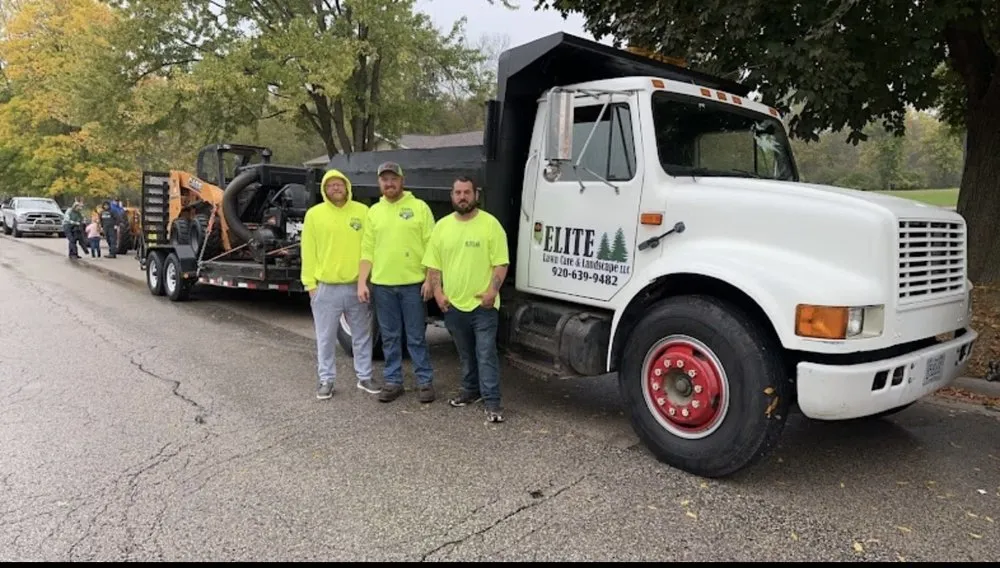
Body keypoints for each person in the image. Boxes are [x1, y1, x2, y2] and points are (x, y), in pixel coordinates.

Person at [422, 175, 510, 423]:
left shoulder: (490, 225)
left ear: (476, 195)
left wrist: (492, 292)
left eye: (467, 192)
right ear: (452, 196)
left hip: (483, 305)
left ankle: (492, 403)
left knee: (486, 353)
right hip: (453, 305)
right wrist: (438, 294)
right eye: (458, 193)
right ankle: (470, 391)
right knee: (466, 354)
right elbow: (433, 265)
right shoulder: (442, 227)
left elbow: (501, 263)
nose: (462, 197)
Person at [358, 161, 437, 403]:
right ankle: (393, 381)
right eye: (384, 179)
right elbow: (367, 250)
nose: (389, 183)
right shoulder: (374, 212)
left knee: (416, 336)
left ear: (402, 180)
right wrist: (362, 282)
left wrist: (430, 280)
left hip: (413, 285)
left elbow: (433, 246)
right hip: (383, 286)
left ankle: (425, 382)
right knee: (390, 337)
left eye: (393, 179)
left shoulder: (419, 207)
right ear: (379, 183)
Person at [300, 169, 374, 400]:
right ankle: (326, 380)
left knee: (362, 335)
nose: (335, 188)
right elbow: (308, 251)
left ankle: (365, 376)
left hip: (356, 286)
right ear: (324, 189)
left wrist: (366, 280)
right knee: (326, 337)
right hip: (326, 288)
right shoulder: (314, 215)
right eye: (330, 185)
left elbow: (369, 248)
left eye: (339, 184)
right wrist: (310, 285)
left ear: (347, 186)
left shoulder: (363, 212)